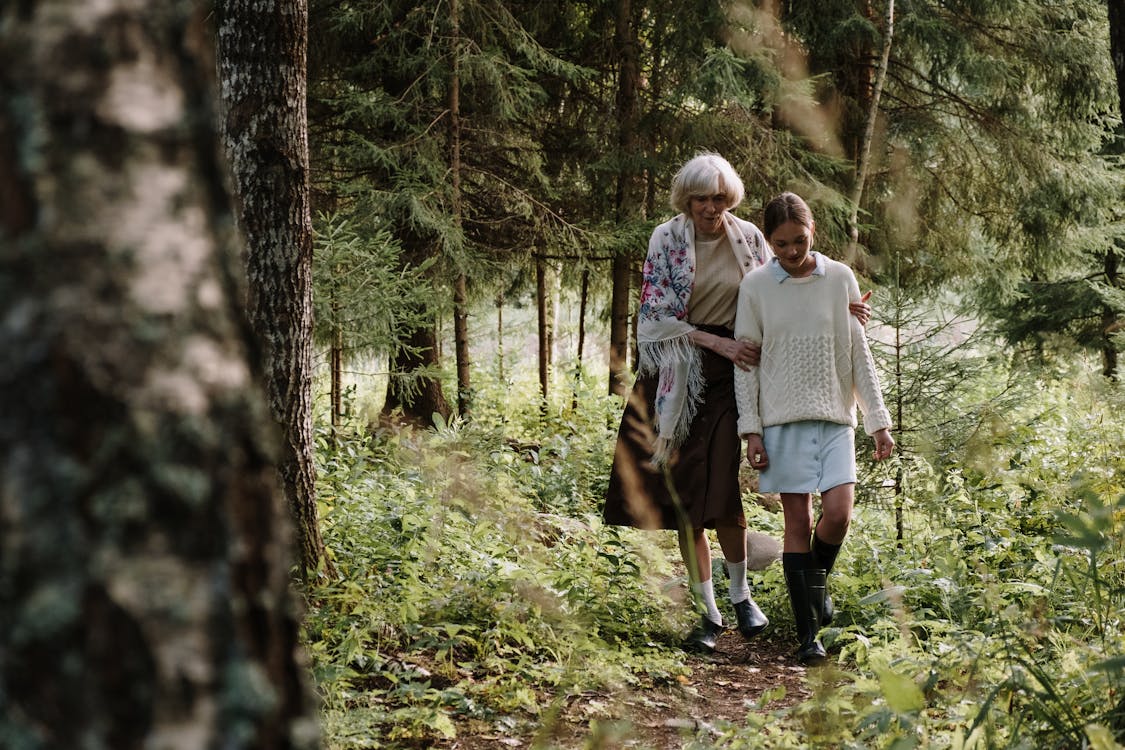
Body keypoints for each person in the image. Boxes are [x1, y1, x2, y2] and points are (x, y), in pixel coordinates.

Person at [603, 155, 869, 653]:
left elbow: (793, 274)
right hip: (679, 374)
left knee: (721, 488)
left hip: (739, 372)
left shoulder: (748, 235)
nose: (711, 208)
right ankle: (709, 614)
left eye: (720, 198)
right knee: (684, 496)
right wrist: (714, 342)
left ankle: (743, 595)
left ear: (732, 199)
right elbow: (654, 315)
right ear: (687, 199)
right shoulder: (666, 239)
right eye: (702, 199)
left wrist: (844, 303)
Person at [733, 191, 895, 665]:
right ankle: (809, 637)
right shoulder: (756, 287)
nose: (791, 251)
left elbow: (858, 354)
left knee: (839, 513)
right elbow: (746, 365)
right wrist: (752, 431)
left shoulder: (839, 277)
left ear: (813, 233)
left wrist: (877, 421)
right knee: (797, 524)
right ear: (769, 241)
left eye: (799, 241)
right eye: (780, 244)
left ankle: (815, 589)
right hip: (781, 421)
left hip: (835, 419)